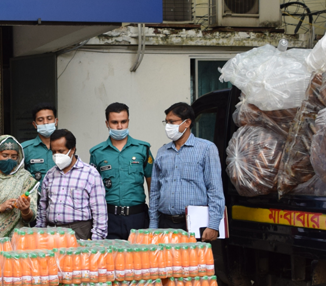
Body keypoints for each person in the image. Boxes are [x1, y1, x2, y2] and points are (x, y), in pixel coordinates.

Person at [149, 102, 224, 242]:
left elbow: (215, 189)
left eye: (172, 122)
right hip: (165, 224)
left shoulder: (206, 149)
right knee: (166, 264)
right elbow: (154, 192)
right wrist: (153, 225)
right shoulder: (162, 152)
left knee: (194, 264)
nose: (168, 126)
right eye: (166, 122)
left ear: (187, 123)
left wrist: (213, 225)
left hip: (195, 224)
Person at [89, 102, 154, 239]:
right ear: (107, 123)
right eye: (114, 122)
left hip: (137, 217)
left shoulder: (142, 149)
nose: (119, 126)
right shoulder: (97, 153)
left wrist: (153, 219)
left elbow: (152, 185)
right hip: (109, 217)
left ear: (128, 121)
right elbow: (92, 189)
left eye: (123, 122)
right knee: (111, 259)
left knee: (139, 259)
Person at [35, 129, 107, 241]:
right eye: (54, 152)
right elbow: (42, 208)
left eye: (61, 151)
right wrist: (39, 233)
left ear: (72, 149)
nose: (56, 155)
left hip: (79, 232)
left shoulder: (90, 174)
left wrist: (96, 241)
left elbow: (100, 211)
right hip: (52, 232)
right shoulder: (50, 175)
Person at [21, 103, 58, 182]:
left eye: (49, 118)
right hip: (34, 194)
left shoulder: (64, 147)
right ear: (34, 124)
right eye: (40, 120)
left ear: (56, 121)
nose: (45, 122)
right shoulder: (25, 149)